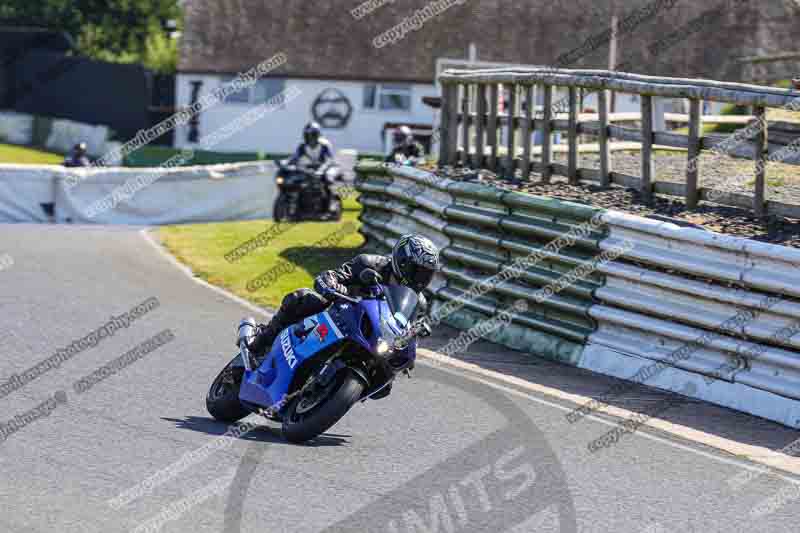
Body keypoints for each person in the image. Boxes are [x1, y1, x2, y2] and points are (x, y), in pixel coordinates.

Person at [246, 233, 440, 398]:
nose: (421, 279)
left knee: (385, 384)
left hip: (373, 336)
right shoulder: (370, 263)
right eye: (417, 271)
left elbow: (408, 328)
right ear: (403, 261)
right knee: (303, 298)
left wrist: (410, 346)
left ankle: (330, 393)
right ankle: (261, 342)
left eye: (427, 275)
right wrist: (332, 284)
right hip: (339, 313)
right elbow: (334, 275)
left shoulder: (419, 302)